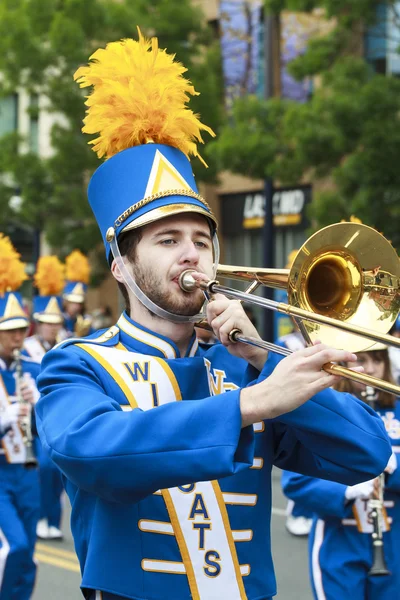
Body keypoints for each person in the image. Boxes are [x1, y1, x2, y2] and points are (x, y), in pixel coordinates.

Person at [35, 31, 392, 600]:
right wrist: (250, 404)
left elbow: (367, 455)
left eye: (202, 240)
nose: (190, 254)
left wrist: (260, 359)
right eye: (167, 239)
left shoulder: (245, 366)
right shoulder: (75, 365)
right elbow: (90, 452)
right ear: (121, 267)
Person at [282, 344, 400, 599]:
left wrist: (394, 471)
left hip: (395, 536)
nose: (368, 370)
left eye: (376, 361)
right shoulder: (325, 411)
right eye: (362, 361)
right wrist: (346, 490)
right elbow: (295, 482)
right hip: (340, 535)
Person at [0, 234, 40, 599]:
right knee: (15, 548)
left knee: (30, 554)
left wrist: (37, 401)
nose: (16, 338)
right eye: (9, 332)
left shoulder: (31, 367)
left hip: (28, 471)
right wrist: (8, 415)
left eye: (19, 330)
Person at [24, 256, 66, 541]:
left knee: (61, 471)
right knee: (45, 467)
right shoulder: (26, 351)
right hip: (33, 422)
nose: (52, 328)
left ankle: (52, 520)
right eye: (47, 324)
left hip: (58, 418)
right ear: (38, 324)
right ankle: (41, 517)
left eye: (56, 323)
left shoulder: (64, 347)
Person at [275, 325, 314, 536]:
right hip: (298, 404)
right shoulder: (286, 342)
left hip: (324, 402)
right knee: (300, 459)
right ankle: (298, 511)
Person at [60, 249, 93, 339]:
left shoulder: (86, 320)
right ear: (66, 302)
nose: (76, 306)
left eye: (79, 303)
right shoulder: (59, 320)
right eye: (73, 302)